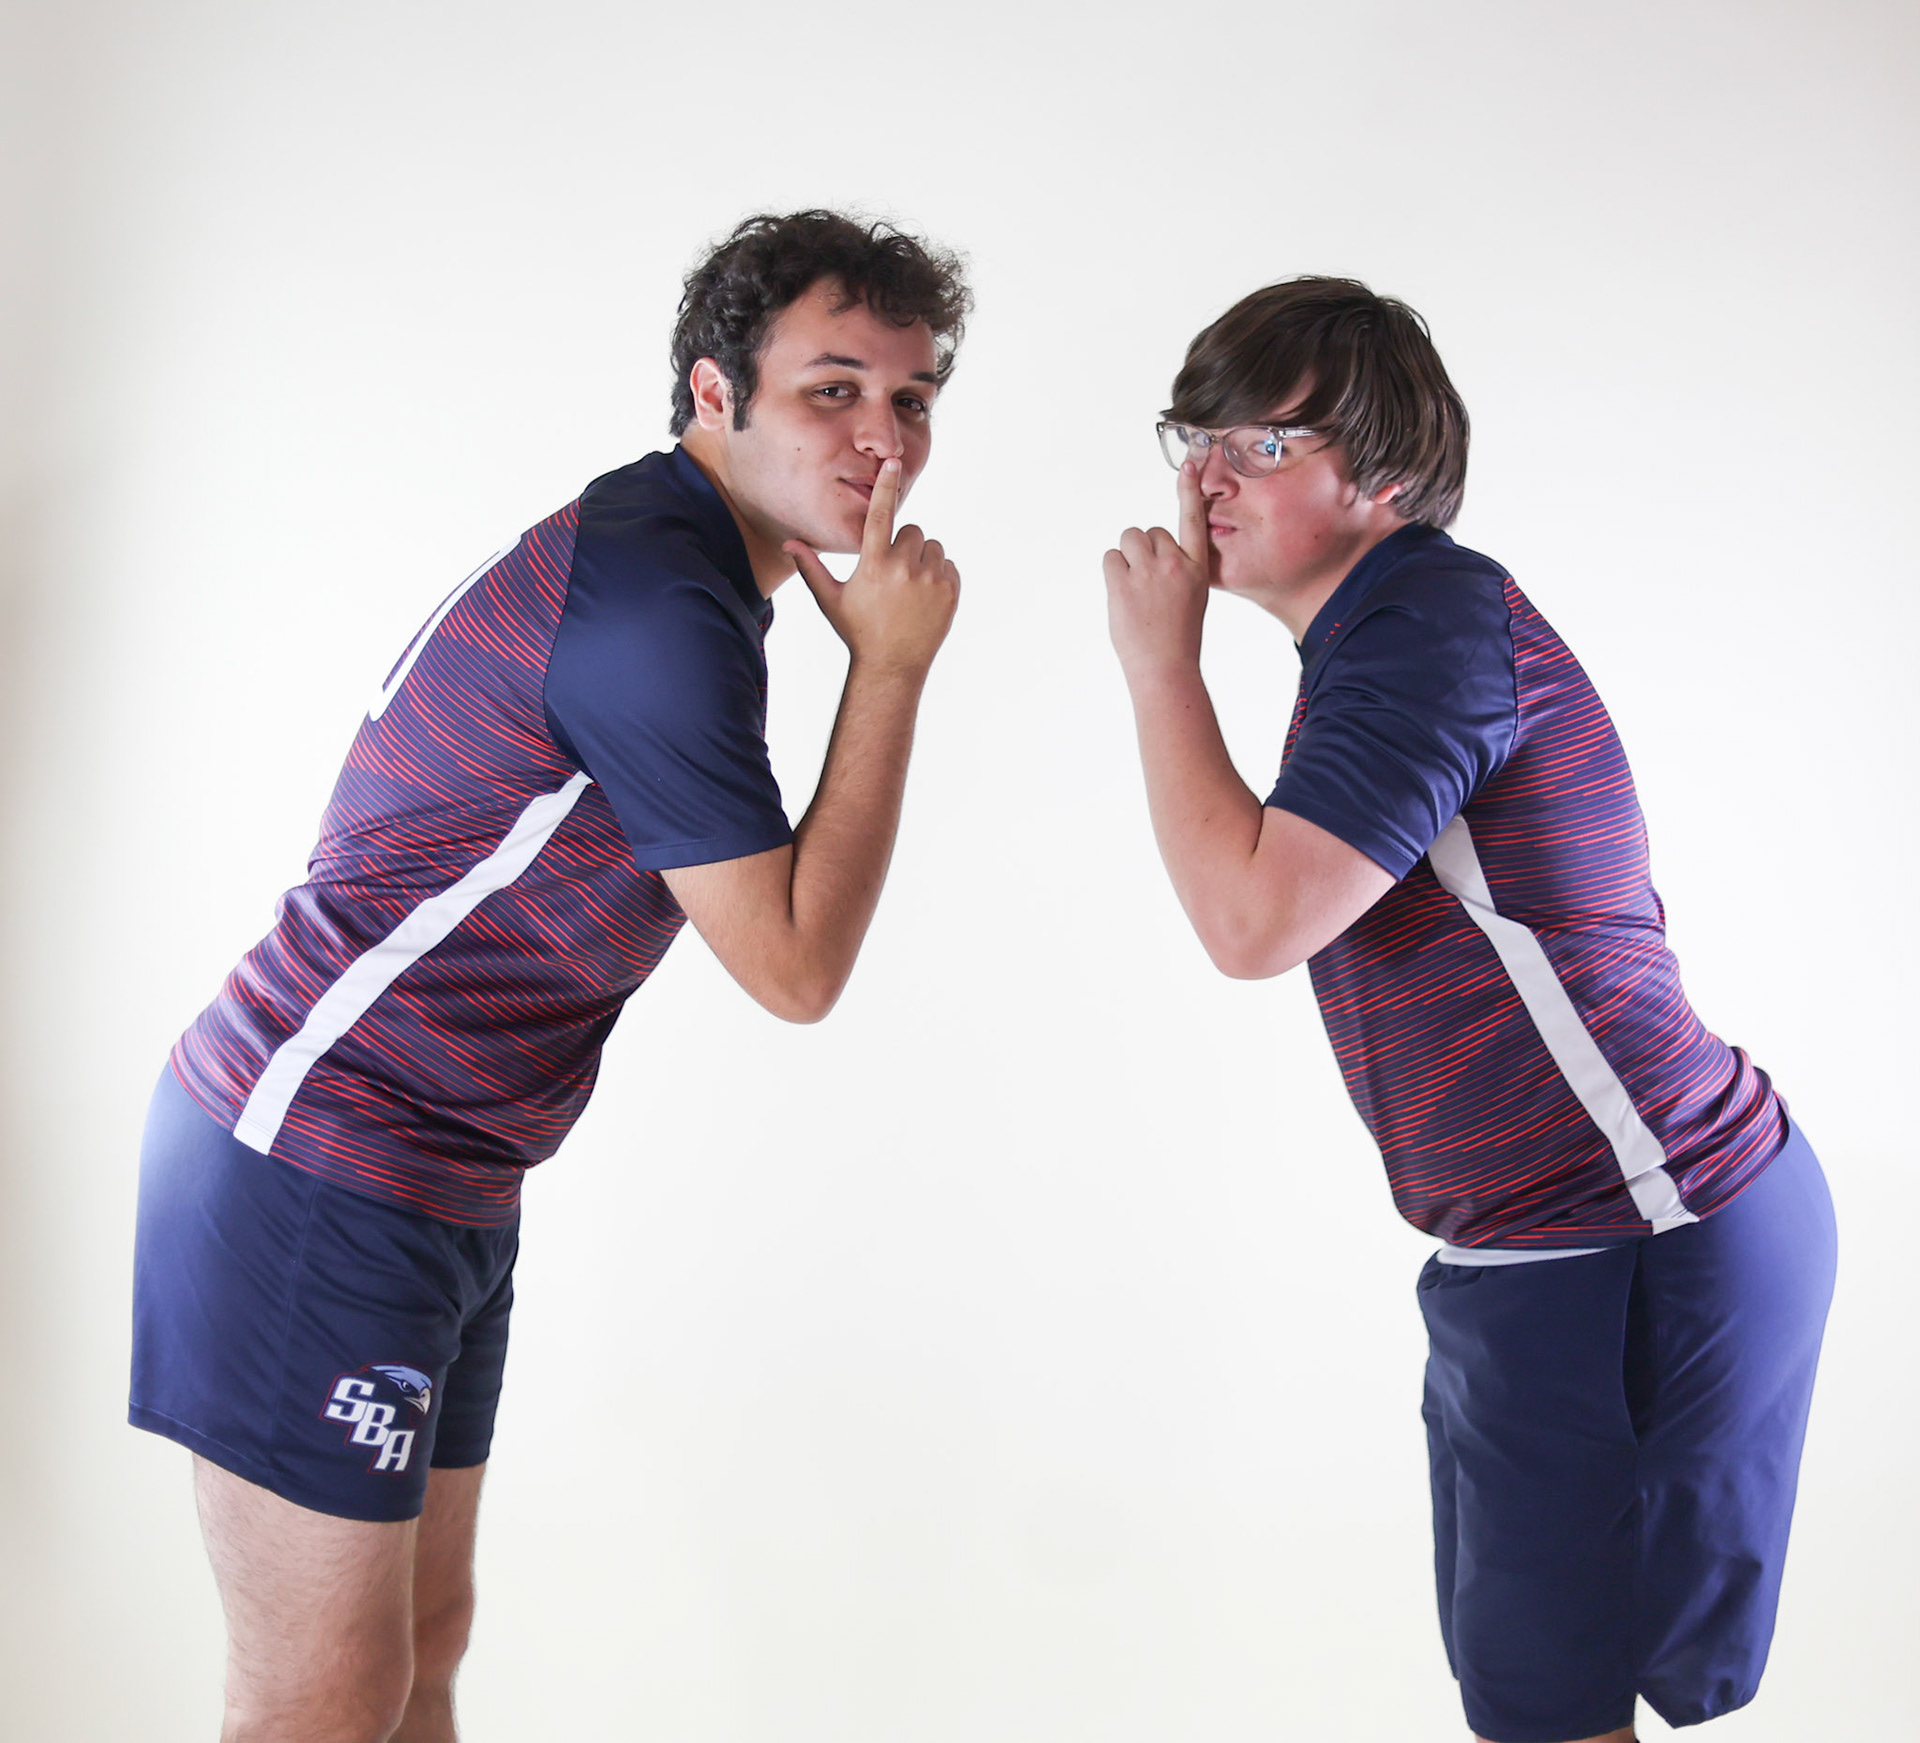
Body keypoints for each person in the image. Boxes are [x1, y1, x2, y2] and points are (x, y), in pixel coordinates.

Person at [130, 209, 970, 1743]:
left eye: (912, 399)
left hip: (446, 1174)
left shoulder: (682, 562)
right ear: (714, 393)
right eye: (833, 390)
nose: (884, 439)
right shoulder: (654, 604)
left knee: (421, 1646)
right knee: (320, 1701)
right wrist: (895, 670)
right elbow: (792, 966)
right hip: (320, 1160)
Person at [1102, 277, 1835, 1743]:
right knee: (1532, 1701)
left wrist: (1160, 665)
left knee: (1555, 1716)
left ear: (1385, 479)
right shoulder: (1379, 634)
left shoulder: (1424, 626)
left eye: (1261, 442)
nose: (1208, 477)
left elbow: (1252, 921)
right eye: (1198, 437)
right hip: (1550, 1245)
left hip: (1634, 1236)